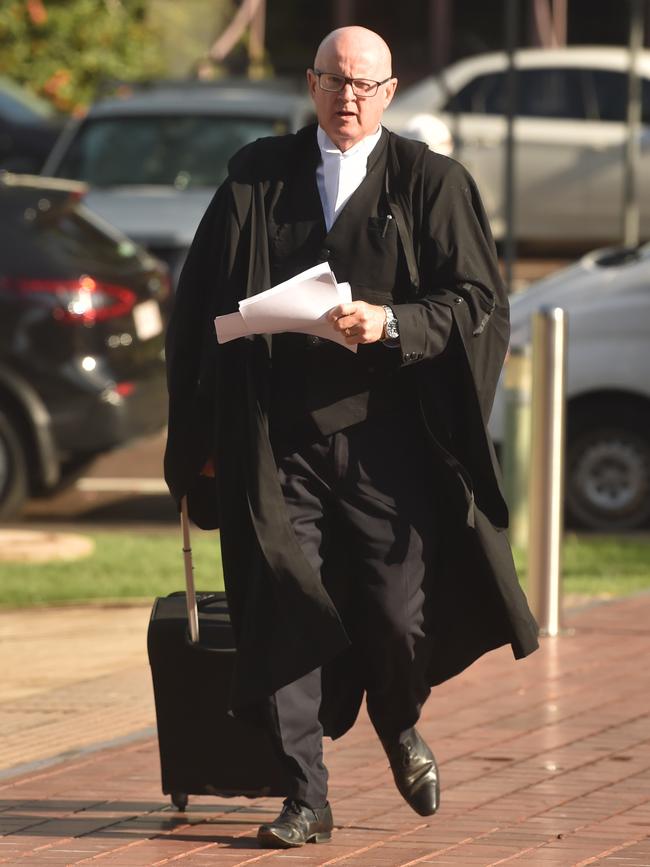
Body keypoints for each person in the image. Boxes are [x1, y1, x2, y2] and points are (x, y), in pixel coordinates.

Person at [164, 25, 539, 851]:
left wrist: (393, 320)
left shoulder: (432, 182)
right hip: (278, 441)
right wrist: (196, 439)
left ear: (392, 91)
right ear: (310, 84)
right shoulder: (256, 177)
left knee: (399, 615)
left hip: (390, 442)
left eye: (365, 84)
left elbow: (478, 303)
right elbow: (198, 310)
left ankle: (399, 720)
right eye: (334, 80)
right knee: (285, 605)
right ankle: (306, 795)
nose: (348, 97)